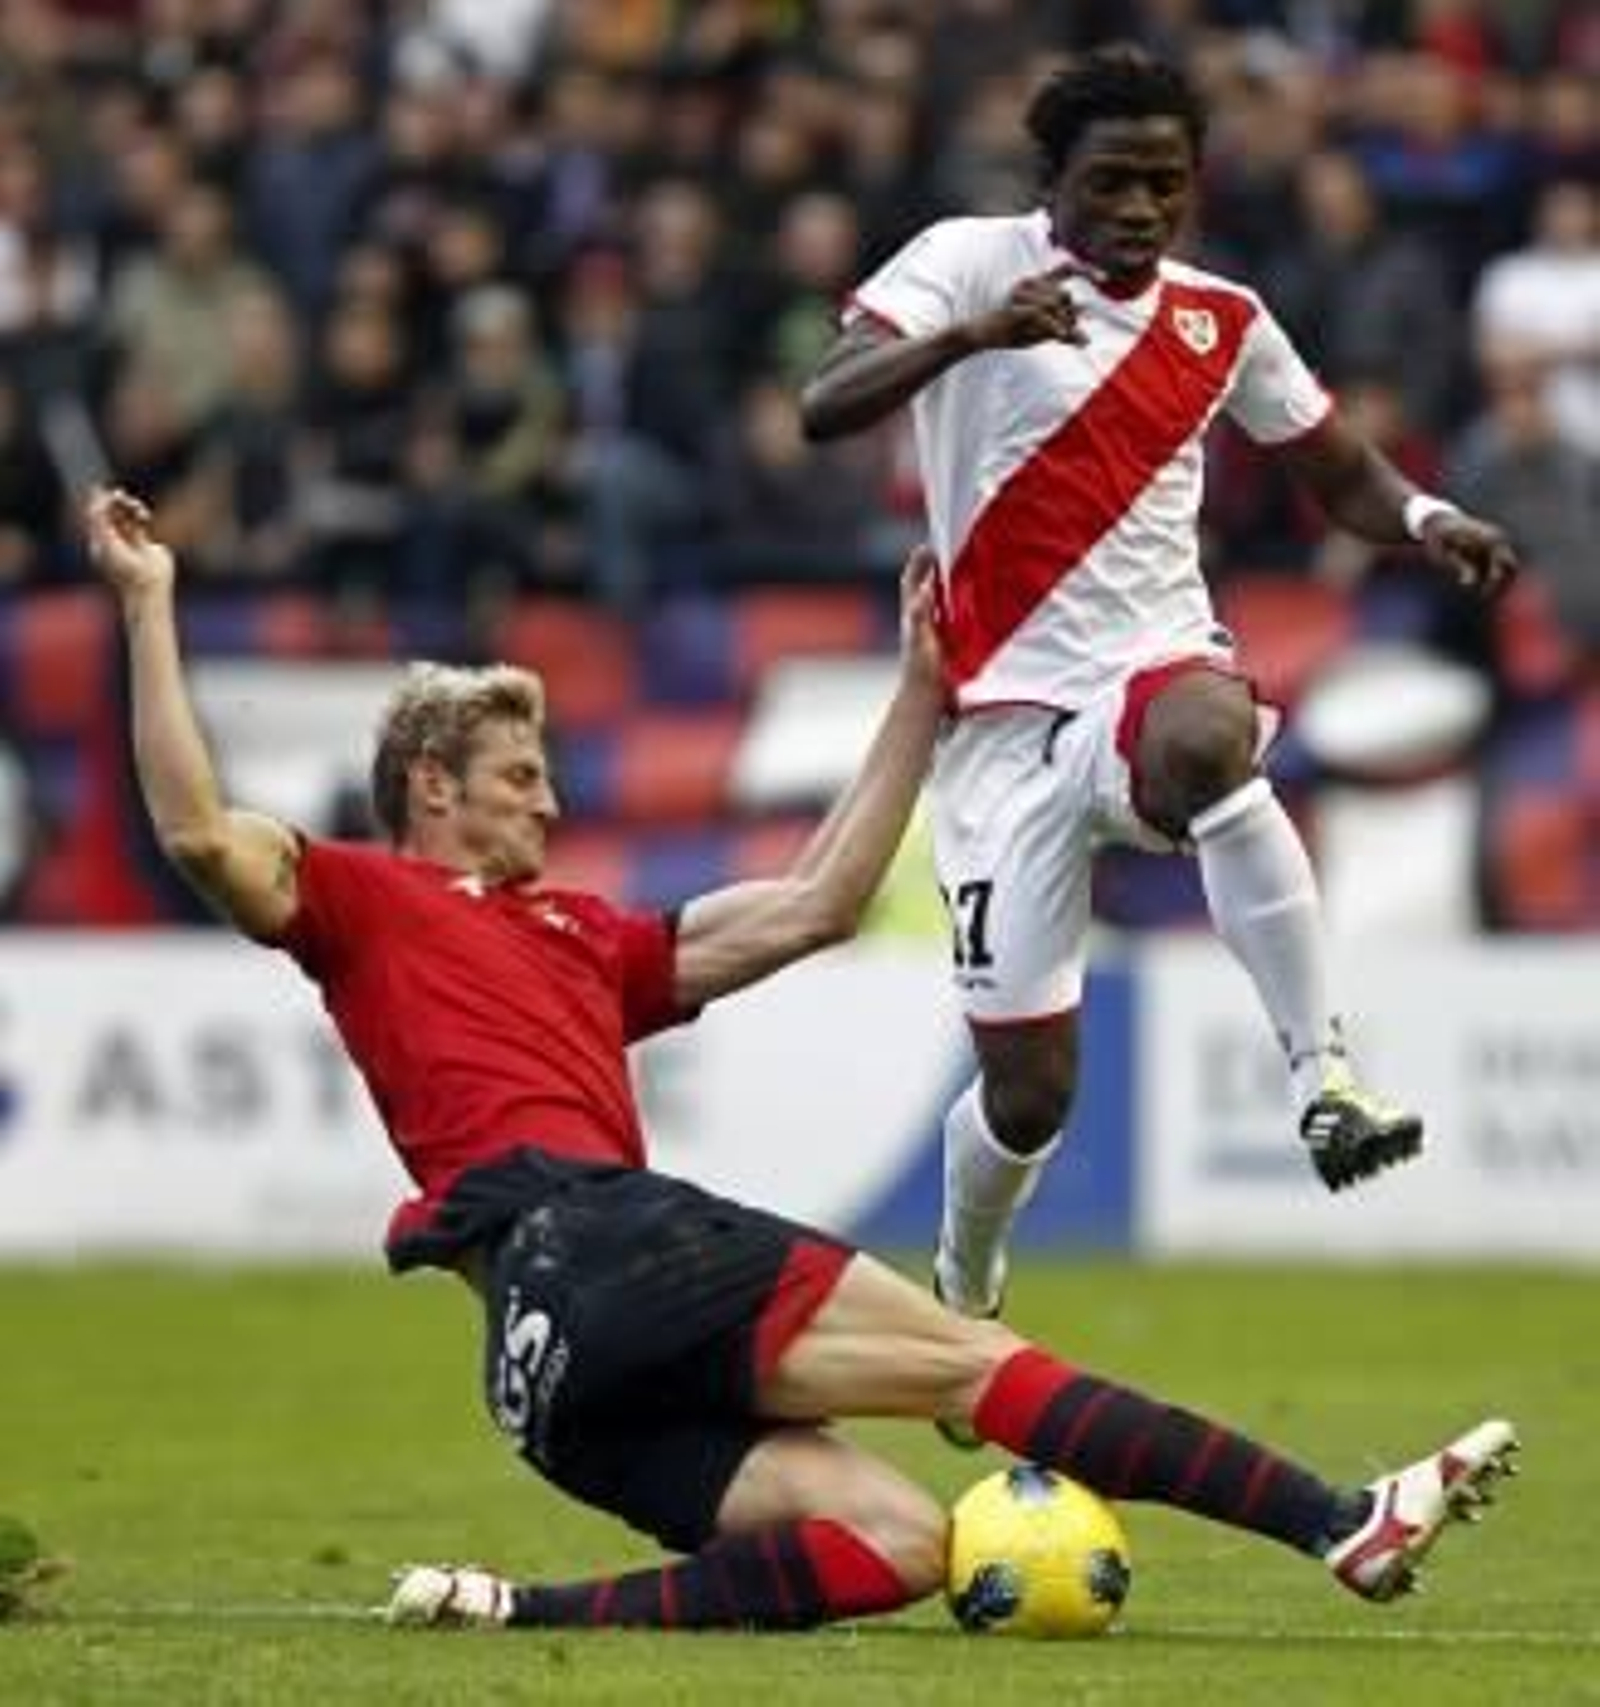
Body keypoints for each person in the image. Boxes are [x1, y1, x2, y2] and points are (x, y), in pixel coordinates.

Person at [87, 485, 1518, 1633]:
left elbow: (818, 902)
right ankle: (1338, 1520)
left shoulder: (585, 937)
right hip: (600, 1242)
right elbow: (204, 834)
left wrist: (920, 694)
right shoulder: (359, 898)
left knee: (899, 1544)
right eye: (522, 776)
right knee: (971, 1365)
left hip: (544, 1374)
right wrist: (151, 609)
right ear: (432, 788)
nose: (551, 798)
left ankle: (504, 1607)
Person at [800, 47, 1521, 1357]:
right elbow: (822, 403)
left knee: (1210, 735)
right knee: (1029, 1095)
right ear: (1052, 183)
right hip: (998, 729)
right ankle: (967, 1286)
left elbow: (1339, 471)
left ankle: (1325, 1082)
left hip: (1146, 672)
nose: (1140, 210)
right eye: (1113, 182)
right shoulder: (966, 261)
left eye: (1166, 186)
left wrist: (1426, 517)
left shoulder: (1222, 321)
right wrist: (973, 335)